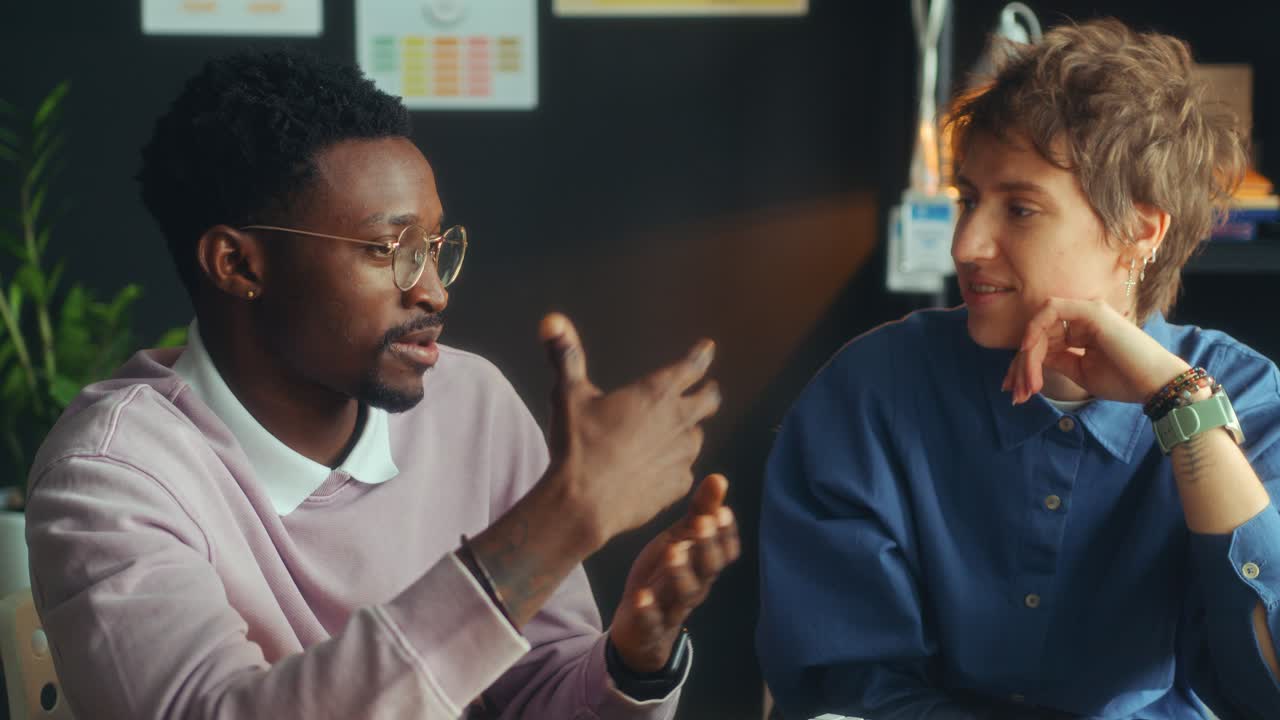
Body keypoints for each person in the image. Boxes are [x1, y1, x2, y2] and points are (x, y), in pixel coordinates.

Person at [24, 50, 740, 719]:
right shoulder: (111, 477)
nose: (433, 291)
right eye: (386, 249)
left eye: (432, 248)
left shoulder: (473, 404)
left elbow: (532, 691)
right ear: (237, 266)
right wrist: (557, 523)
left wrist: (632, 661)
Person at [758, 18, 1280, 720]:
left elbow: (1268, 686)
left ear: (1139, 232)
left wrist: (1180, 406)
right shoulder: (871, 394)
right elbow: (848, 687)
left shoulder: (1248, 400)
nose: (966, 244)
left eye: (1021, 210)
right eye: (969, 199)